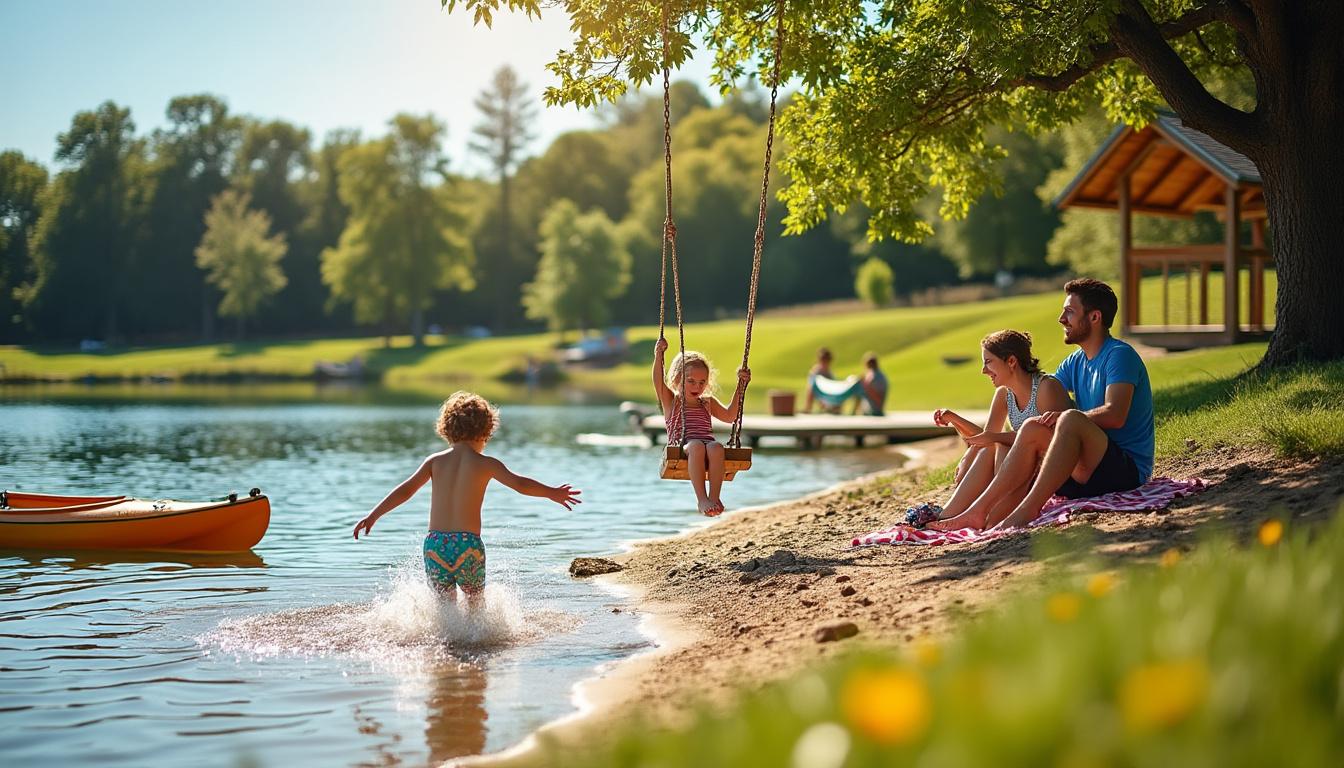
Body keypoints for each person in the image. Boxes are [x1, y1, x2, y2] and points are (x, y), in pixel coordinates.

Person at [928, 279, 1154, 532]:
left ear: (1094, 317)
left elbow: (1115, 415)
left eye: (1069, 312)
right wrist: (1009, 381)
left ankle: (1027, 509)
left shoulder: (1119, 355)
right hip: (1083, 472)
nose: (1061, 319)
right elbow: (1036, 386)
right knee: (1032, 427)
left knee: (1069, 417)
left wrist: (1062, 418)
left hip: (1124, 471)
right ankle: (979, 512)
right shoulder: (1075, 361)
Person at [352, 391, 581, 604]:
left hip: (435, 545)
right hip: (467, 545)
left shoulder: (434, 461)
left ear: (447, 429)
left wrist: (374, 515)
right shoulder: (487, 464)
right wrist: (552, 493)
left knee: (443, 606)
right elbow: (520, 484)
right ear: (486, 431)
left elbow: (406, 490)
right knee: (475, 605)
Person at [905, 330, 1070, 526]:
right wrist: (954, 419)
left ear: (1011, 361)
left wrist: (993, 440)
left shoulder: (1046, 388)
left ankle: (963, 516)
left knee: (998, 445)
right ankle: (949, 515)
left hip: (1050, 476)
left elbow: (1056, 441)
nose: (984, 370)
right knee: (990, 448)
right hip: (1018, 472)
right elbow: (986, 438)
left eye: (989, 362)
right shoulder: (1004, 394)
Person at [654, 338, 751, 516]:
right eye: (691, 381)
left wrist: (741, 386)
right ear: (677, 379)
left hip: (706, 445)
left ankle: (714, 498)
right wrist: (659, 354)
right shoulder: (672, 401)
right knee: (697, 446)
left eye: (702, 382)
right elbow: (658, 382)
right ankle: (702, 499)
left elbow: (730, 416)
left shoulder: (707, 403)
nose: (697, 386)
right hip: (684, 446)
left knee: (716, 447)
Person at [852, 352, 889, 416]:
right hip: (872, 409)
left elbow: (878, 399)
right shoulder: (876, 375)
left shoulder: (877, 377)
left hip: (875, 410)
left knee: (858, 389)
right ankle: (853, 412)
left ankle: (852, 412)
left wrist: (864, 384)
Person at [803, 347, 838, 413]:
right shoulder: (815, 370)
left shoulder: (829, 372)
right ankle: (808, 408)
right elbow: (811, 384)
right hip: (818, 391)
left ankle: (831, 407)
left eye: (827, 360)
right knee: (811, 388)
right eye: (823, 360)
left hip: (827, 392)